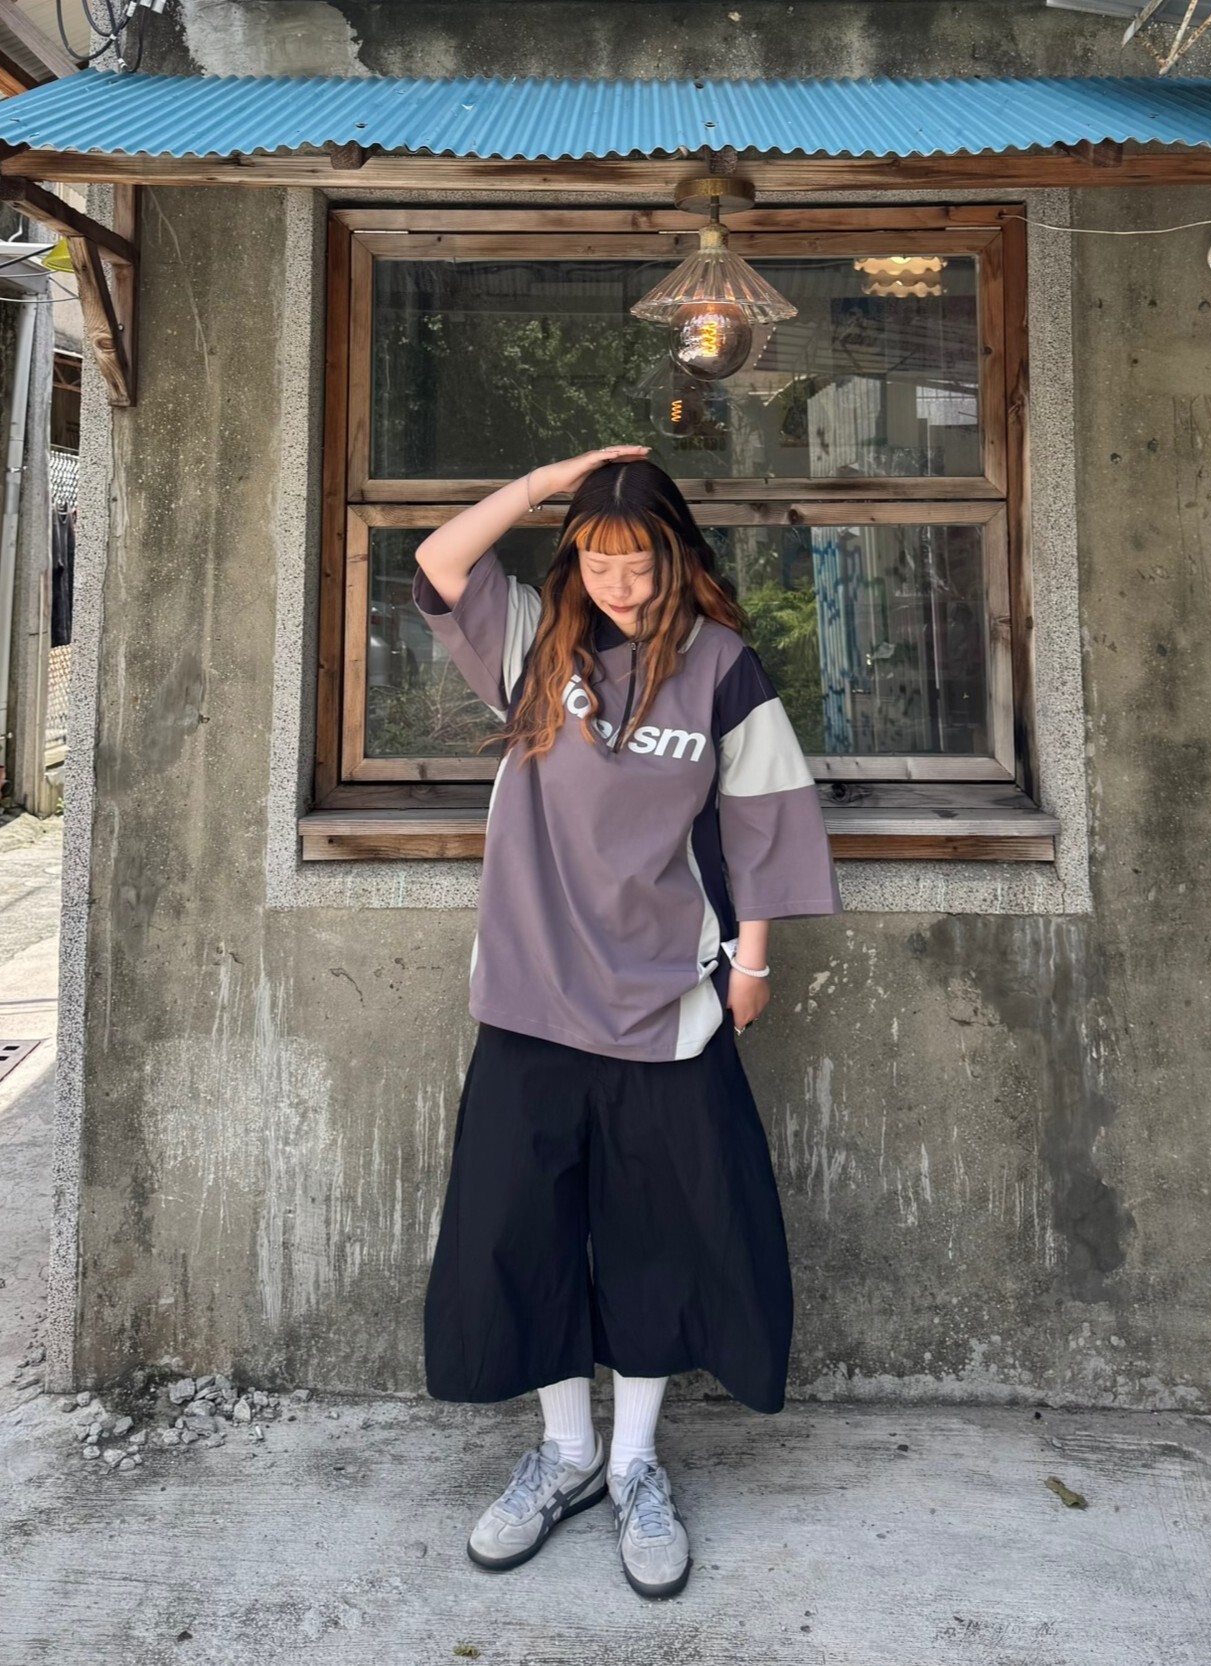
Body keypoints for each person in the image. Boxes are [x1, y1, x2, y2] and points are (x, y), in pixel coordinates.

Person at [412, 446, 843, 1600]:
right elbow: (441, 560)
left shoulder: (721, 668)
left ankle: (635, 1462)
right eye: (597, 560)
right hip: (530, 997)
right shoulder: (534, 649)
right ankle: (566, 1455)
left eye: (637, 559)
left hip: (668, 1003)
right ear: (574, 560)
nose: (617, 582)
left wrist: (753, 959)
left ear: (674, 554)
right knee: (529, 1230)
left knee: (658, 1236)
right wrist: (550, 480)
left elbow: (761, 817)